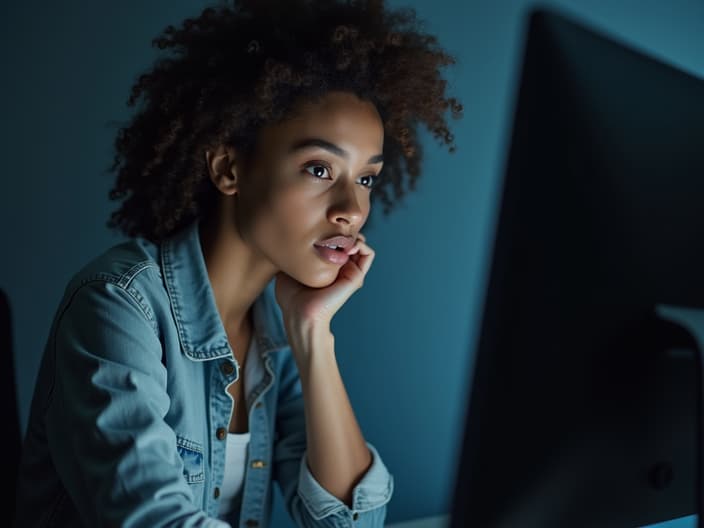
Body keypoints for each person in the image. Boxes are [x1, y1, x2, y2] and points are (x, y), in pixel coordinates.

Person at [14, 0, 463, 526]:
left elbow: (353, 523)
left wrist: (314, 334)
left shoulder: (273, 332)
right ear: (229, 169)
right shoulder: (118, 304)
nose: (351, 210)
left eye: (366, 178)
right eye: (320, 168)